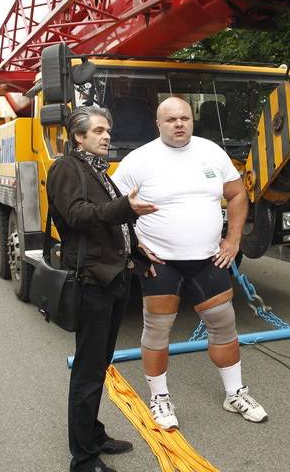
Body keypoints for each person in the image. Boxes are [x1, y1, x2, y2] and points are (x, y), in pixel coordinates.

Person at [112, 97, 267, 430]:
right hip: (161, 261)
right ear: (158, 124)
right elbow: (114, 207)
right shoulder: (139, 160)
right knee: (157, 330)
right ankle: (159, 398)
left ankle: (235, 393)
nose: (179, 123)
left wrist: (233, 239)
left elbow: (237, 195)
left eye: (184, 117)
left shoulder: (212, 152)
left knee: (224, 325)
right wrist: (135, 245)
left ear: (192, 120)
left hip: (209, 258)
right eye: (171, 119)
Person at [47, 105, 158, 472]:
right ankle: (83, 459)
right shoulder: (66, 168)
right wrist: (126, 206)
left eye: (108, 130)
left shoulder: (98, 171)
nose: (107, 136)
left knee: (99, 366)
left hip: (113, 279)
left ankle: (92, 435)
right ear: (79, 137)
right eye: (98, 131)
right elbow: (77, 215)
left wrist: (138, 252)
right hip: (91, 282)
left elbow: (116, 227)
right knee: (88, 371)